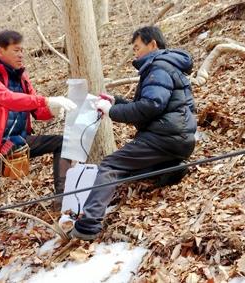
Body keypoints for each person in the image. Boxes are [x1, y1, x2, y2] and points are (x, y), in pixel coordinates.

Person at [70, 26, 197, 240]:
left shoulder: (158, 67)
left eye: (137, 47)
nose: (135, 53)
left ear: (153, 44)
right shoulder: (168, 66)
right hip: (180, 139)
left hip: (163, 138)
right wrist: (116, 102)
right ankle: (171, 168)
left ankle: (88, 226)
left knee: (111, 166)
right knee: (132, 171)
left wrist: (112, 111)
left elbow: (151, 106)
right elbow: (152, 106)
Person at [0, 30, 76, 257]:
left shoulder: (21, 78)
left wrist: (53, 109)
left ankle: (60, 201)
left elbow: (36, 110)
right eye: (16, 50)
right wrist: (45, 100)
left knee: (60, 143)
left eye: (23, 50)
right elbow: (6, 98)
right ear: (0, 51)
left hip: (19, 140)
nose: (22, 55)